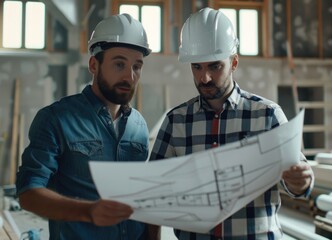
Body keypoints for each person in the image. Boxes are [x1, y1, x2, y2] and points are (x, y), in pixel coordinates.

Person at [149, 7, 314, 239]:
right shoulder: (176, 121)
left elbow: (298, 183)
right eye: (197, 67)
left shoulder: (267, 116)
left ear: (234, 62)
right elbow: (152, 195)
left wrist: (300, 180)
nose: (204, 78)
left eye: (215, 66)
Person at [16, 14, 159, 240]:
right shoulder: (56, 118)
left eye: (137, 66)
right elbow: (28, 193)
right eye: (119, 64)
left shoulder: (139, 124)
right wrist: (88, 212)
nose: (129, 76)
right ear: (94, 64)